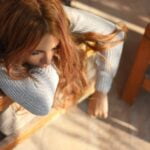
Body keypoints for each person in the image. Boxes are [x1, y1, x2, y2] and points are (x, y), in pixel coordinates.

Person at [0, 0, 127, 137]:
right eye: (36, 52)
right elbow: (41, 104)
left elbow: (114, 34)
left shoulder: (57, 18)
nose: (47, 61)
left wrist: (102, 90)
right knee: (7, 124)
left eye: (54, 47)